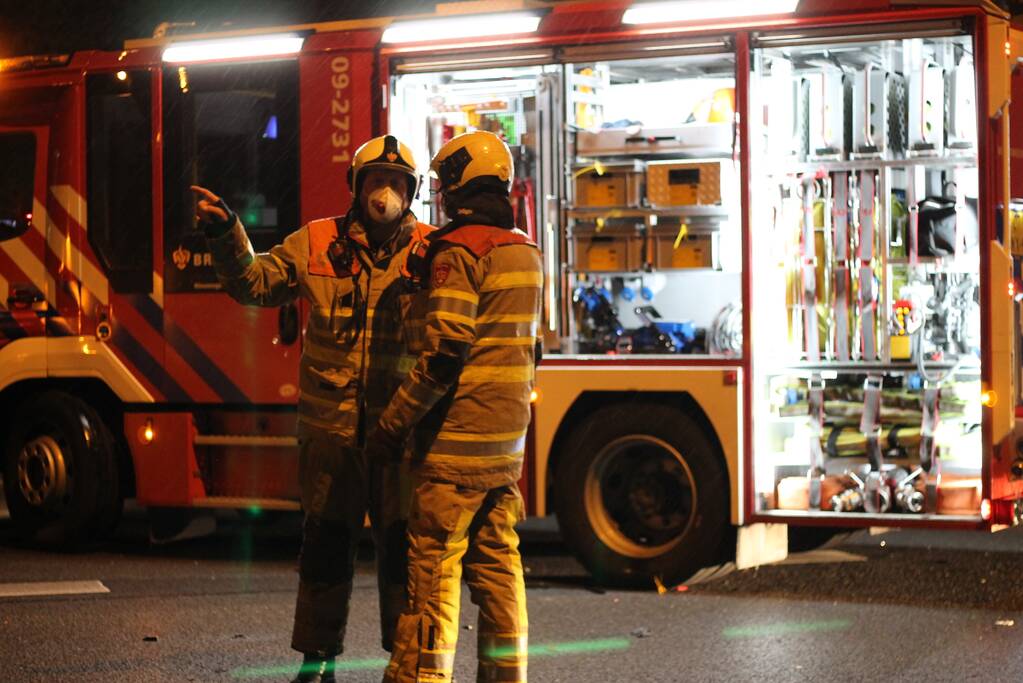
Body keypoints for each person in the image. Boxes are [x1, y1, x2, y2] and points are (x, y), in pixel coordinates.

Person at [192, 135, 435, 683]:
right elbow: (255, 284)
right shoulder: (318, 241)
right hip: (331, 432)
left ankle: (405, 662)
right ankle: (317, 659)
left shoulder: (430, 250)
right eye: (376, 181)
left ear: (411, 191)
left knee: (404, 554)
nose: (385, 193)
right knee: (325, 546)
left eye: (396, 183)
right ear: (357, 187)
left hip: (399, 433)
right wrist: (227, 233)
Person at [368, 130, 544, 683]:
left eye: (445, 186)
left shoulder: (459, 252)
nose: (441, 197)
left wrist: (391, 426)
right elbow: (529, 349)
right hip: (503, 454)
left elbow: (444, 355)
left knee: (432, 585)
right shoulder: (525, 251)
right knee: (500, 577)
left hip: (452, 454)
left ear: (459, 187)